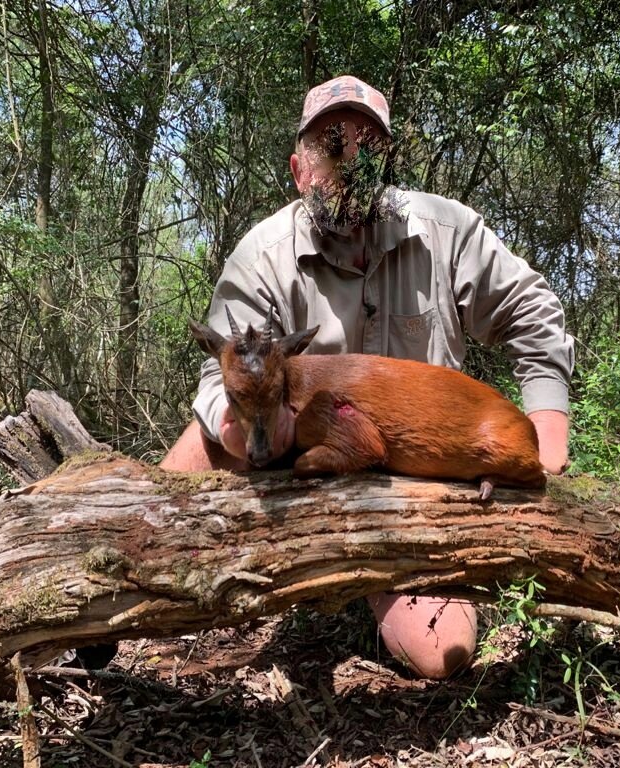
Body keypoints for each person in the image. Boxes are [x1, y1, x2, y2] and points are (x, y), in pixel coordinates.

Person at [161, 75, 574, 679]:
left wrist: (546, 428)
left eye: (369, 146)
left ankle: (376, 585)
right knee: (183, 467)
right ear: (300, 168)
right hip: (295, 449)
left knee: (442, 654)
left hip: (411, 473)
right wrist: (236, 431)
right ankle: (128, 589)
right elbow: (220, 366)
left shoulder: (446, 230)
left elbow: (533, 312)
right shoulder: (263, 254)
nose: (352, 160)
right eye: (334, 146)